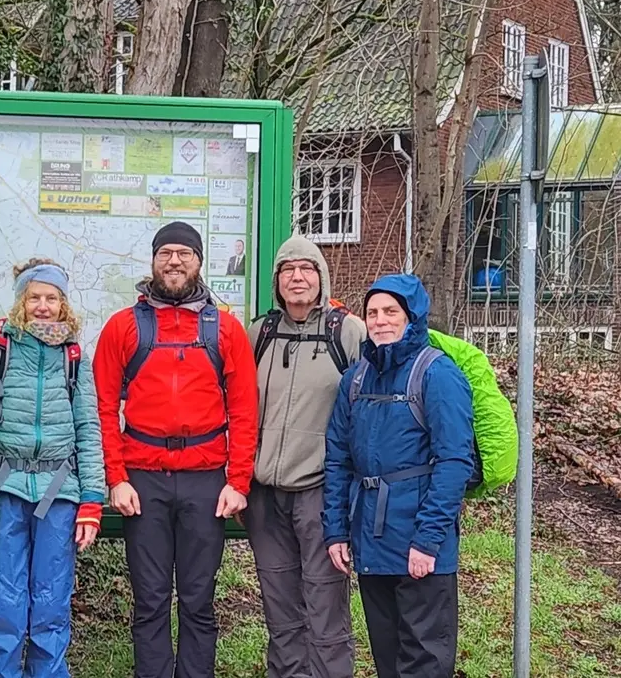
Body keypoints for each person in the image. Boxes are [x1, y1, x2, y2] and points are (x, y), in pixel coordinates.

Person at [93, 221, 260, 678]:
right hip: (143, 480)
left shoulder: (223, 329)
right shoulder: (123, 327)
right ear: (152, 260)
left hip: (206, 480)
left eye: (184, 253)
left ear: (199, 262)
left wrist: (238, 480)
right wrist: (117, 478)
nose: (174, 261)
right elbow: (104, 408)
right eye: (165, 252)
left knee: (198, 599)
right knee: (149, 600)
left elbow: (245, 409)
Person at [0, 258, 106, 678]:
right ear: (21, 301)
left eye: (51, 298)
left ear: (63, 304)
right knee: (2, 601)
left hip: (60, 492)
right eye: (34, 297)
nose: (43, 306)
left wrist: (92, 501)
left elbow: (88, 430)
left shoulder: (75, 358)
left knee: (52, 600)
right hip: (2, 491)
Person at [323, 274, 474, 678]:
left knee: (424, 662)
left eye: (391, 311)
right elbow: (338, 460)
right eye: (373, 312)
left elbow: (455, 462)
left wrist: (427, 541)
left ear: (412, 317)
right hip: (371, 543)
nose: (380, 320)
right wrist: (336, 532)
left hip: (420, 545)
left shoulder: (438, 375)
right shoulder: (355, 379)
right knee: (387, 660)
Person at [245, 235, 366, 678]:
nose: (297, 277)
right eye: (288, 269)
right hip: (265, 496)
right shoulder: (260, 332)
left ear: (321, 277)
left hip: (321, 493)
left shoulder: (348, 332)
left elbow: (366, 410)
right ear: (277, 280)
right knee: (280, 609)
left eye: (307, 269)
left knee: (325, 608)